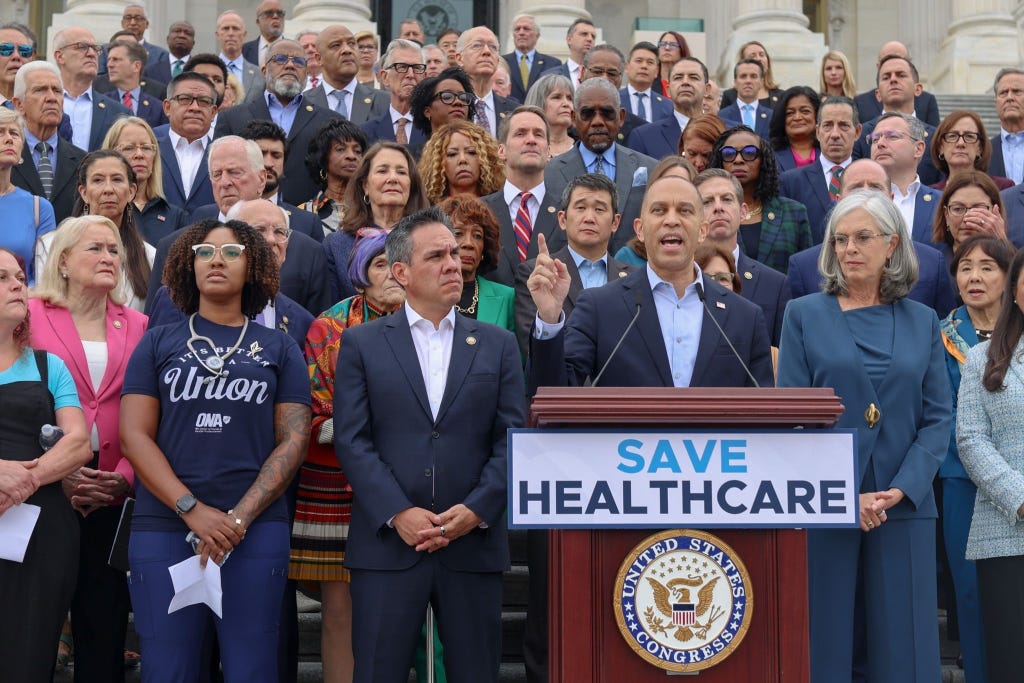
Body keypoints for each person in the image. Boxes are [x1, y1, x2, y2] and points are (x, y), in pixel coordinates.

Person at [333, 206, 524, 682]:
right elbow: (353, 441)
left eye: (456, 253)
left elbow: (512, 441)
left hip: (472, 543)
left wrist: (478, 509)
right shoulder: (362, 344)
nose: (452, 264)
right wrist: (398, 513)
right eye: (436, 255)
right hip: (387, 545)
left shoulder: (498, 344)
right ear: (401, 272)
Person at [120, 219, 311, 681]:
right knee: (168, 670)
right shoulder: (157, 342)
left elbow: (294, 439)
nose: (216, 261)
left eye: (230, 252)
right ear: (189, 265)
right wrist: (191, 509)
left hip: (255, 530)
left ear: (255, 267)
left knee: (252, 669)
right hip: (163, 526)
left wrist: (239, 518)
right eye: (204, 252)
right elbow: (133, 435)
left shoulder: (280, 347)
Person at [777, 190, 950, 682]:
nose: (849, 248)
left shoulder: (924, 320)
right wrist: (840, 495)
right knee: (824, 645)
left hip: (905, 506)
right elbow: (793, 417)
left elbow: (938, 418)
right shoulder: (803, 314)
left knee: (906, 651)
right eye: (840, 239)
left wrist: (900, 490)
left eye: (862, 237)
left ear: (892, 244)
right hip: (825, 506)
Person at [29, 214, 148, 683]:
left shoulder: (138, 323)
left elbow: (150, 410)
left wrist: (125, 477)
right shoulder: (30, 315)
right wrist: (57, 469)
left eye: (114, 250)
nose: (108, 258)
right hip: (45, 486)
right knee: (34, 624)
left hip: (114, 489)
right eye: (95, 248)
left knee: (104, 624)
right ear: (62, 262)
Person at [527, 173, 774, 390]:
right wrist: (549, 319)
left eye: (685, 211)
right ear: (640, 229)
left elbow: (763, 417)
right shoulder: (600, 307)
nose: (672, 220)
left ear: (702, 230)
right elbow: (551, 393)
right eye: (659, 210)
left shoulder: (745, 317)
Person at [292, 228, 403, 683]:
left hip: (409, 480)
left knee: (396, 611)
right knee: (340, 610)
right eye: (380, 264)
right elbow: (316, 406)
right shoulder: (329, 325)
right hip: (334, 482)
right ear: (360, 273)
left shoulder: (437, 322)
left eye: (400, 262)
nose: (392, 273)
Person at [0, 247, 91, 683]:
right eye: (1, 278)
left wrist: (26, 478)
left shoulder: (47, 365)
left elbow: (78, 442)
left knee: (29, 657)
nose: (17, 284)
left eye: (19, 276)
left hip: (41, 529)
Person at [940, 234, 1013, 683]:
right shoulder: (941, 336)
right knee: (971, 593)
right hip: (964, 482)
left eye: (987, 267)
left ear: (1009, 277)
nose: (975, 277)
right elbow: (940, 411)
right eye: (965, 268)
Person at [786, 158, 957, 320]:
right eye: (856, 188)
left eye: (875, 188)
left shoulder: (931, 262)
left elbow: (944, 337)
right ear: (838, 201)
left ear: (891, 199)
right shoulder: (804, 267)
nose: (866, 194)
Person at [214, 39, 343, 206]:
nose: (290, 65)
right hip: (246, 216)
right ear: (264, 70)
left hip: (311, 220)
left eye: (298, 61)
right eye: (280, 59)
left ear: (307, 72)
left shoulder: (330, 121)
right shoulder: (232, 118)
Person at [545, 78, 657, 256]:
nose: (597, 121)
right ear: (574, 118)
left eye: (607, 113)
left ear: (621, 117)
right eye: (588, 113)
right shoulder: (549, 173)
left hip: (632, 277)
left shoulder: (650, 169)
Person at [38, 150, 155, 312]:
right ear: (84, 193)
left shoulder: (150, 256)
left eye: (116, 179)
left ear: (131, 191)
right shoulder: (50, 245)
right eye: (98, 180)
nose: (108, 189)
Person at [694, 167, 792, 347]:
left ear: (743, 212)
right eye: (707, 202)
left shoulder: (775, 285)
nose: (718, 207)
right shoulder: (679, 276)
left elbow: (780, 358)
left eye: (727, 199)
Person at [323, 142, 428, 301]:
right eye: (382, 170)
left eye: (401, 172)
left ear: (411, 185)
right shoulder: (336, 245)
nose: (393, 178)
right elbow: (330, 314)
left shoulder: (430, 241)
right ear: (365, 185)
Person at [708, 125, 813, 274]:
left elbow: (805, 271)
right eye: (729, 153)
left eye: (749, 153)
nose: (738, 160)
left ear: (763, 160)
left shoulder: (794, 212)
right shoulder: (707, 212)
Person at [482, 105, 566, 288]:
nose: (531, 140)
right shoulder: (480, 212)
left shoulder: (567, 213)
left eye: (538, 134)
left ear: (549, 151)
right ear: (501, 150)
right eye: (520, 134)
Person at [11, 61, 87, 224]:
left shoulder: (84, 161)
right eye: (40, 90)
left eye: (57, 91)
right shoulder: (5, 159)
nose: (52, 98)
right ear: (19, 105)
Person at [779, 95, 861, 243]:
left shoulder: (871, 179)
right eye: (828, 125)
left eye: (843, 125)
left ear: (857, 132)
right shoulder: (790, 182)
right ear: (818, 132)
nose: (835, 134)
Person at [102, 116, 189, 246]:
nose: (139, 154)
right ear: (110, 154)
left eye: (146, 148)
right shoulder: (100, 211)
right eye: (129, 148)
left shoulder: (176, 217)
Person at [437, 195, 514, 331]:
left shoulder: (507, 298)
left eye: (477, 236)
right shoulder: (424, 294)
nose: (468, 244)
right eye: (458, 233)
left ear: (485, 246)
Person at [0, 107, 56, 284]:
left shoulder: (39, 208)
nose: (9, 138)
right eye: (0, 132)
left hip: (21, 305)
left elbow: (45, 279)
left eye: (14, 134)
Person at [613, 155, 697, 267]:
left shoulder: (710, 259)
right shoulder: (628, 257)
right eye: (666, 184)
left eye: (683, 184)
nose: (671, 221)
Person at [156, 71, 218, 215]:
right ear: (167, 107)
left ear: (213, 112)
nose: (195, 108)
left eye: (203, 101)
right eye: (184, 99)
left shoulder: (225, 155)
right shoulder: (149, 149)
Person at [627, 57, 709, 161]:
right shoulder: (643, 137)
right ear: (668, 90)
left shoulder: (726, 132)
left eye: (693, 77)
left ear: (707, 89)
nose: (685, 82)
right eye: (678, 77)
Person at [359, 40, 429, 157]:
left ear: (425, 77)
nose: (411, 74)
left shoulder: (435, 129)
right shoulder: (365, 132)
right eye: (402, 67)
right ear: (385, 77)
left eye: (417, 68)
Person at [301, 119, 368, 237]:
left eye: (357, 151)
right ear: (323, 158)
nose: (351, 156)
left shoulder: (374, 210)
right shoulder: (303, 213)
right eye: (340, 149)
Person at [853, 41, 940, 127]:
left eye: (901, 75)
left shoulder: (927, 100)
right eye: (886, 60)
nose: (893, 79)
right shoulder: (861, 103)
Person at [933, 171, 1008, 267]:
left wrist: (1002, 245)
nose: (967, 219)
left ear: (995, 213)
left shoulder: (1013, 262)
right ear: (946, 215)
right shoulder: (932, 265)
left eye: (978, 209)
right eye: (958, 209)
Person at [418, 120, 504, 204]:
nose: (462, 160)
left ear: (487, 159)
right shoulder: (427, 213)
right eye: (452, 154)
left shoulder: (502, 206)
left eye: (471, 152)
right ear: (438, 164)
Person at [455, 26, 518, 139]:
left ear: (497, 59)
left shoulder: (515, 112)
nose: (487, 51)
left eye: (493, 47)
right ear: (459, 58)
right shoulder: (448, 107)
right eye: (477, 45)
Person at [932, 110, 1013, 190]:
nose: (960, 143)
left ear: (980, 148)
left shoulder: (1003, 188)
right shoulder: (930, 195)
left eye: (969, 136)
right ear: (941, 147)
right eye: (952, 136)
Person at [503, 14, 561, 104]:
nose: (521, 32)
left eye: (526, 29)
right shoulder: (502, 62)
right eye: (517, 29)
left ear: (537, 36)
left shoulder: (553, 64)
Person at [409, 66, 476, 139]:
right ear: (427, 112)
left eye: (463, 98)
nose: (458, 102)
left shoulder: (482, 149)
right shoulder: (408, 150)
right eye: (447, 97)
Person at [770, 86, 821, 173]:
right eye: (790, 113)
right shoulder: (769, 155)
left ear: (817, 115)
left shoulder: (830, 151)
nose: (797, 117)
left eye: (805, 111)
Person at [719, 41, 783, 110]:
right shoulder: (730, 96)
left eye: (761, 55)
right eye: (753, 56)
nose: (759, 59)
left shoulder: (781, 96)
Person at [718, 59, 773, 139]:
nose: (748, 81)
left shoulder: (771, 116)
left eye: (753, 76)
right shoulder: (722, 116)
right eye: (743, 76)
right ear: (735, 82)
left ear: (761, 82)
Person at [524, 73, 574, 158]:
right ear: (538, 102)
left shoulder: (583, 147)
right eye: (557, 97)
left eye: (569, 98)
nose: (566, 104)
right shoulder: (526, 145)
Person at [621, 42, 672, 125]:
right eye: (639, 61)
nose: (644, 66)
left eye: (650, 62)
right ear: (627, 67)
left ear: (656, 71)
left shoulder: (668, 106)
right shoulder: (614, 101)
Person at [988, 68, 1024, 184]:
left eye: (1017, 91)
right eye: (1003, 93)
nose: (1009, 97)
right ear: (996, 103)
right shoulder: (982, 152)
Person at [242, 0, 286, 68]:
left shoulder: (295, 50)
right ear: (258, 22)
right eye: (269, 13)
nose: (275, 16)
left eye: (280, 13)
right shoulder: (244, 51)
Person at [655, 31, 689, 98]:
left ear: (682, 51)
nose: (667, 48)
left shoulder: (689, 83)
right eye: (663, 44)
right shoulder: (649, 84)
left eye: (673, 45)